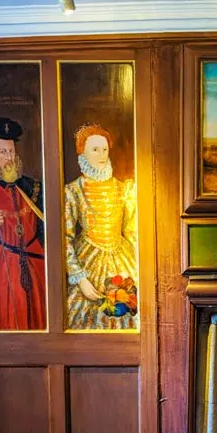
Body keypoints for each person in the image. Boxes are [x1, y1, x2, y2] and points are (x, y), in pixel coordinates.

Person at [0, 117, 46, 330]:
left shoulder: (31, 187)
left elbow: (43, 228)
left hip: (32, 264)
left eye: (11, 151)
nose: (9, 158)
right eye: (2, 152)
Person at [65, 123, 138, 330]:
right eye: (95, 149)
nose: (101, 155)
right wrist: (81, 280)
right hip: (87, 259)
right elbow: (64, 239)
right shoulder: (72, 191)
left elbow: (132, 232)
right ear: (83, 153)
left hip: (122, 257)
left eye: (104, 149)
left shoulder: (124, 189)